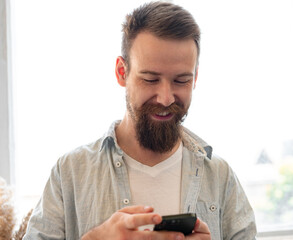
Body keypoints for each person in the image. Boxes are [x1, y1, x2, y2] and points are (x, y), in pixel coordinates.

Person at [24, 2, 257, 240]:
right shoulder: (70, 173)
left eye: (181, 80)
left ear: (195, 77)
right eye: (150, 79)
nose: (166, 99)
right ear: (121, 72)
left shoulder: (220, 176)